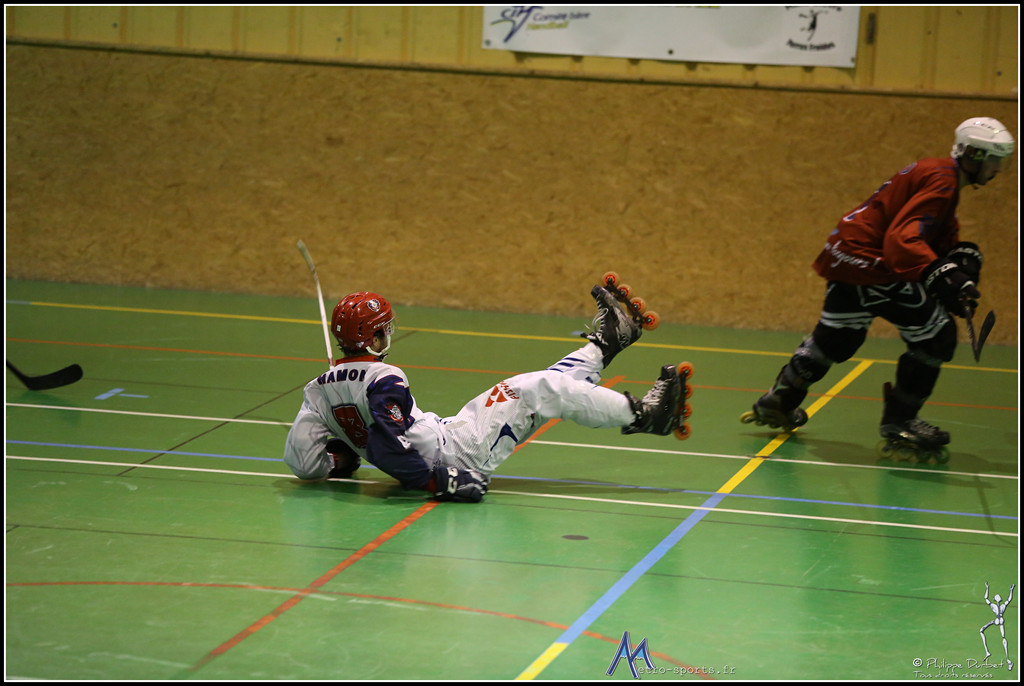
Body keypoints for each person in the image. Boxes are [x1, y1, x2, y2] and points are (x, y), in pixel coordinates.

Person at [742, 117, 1015, 451]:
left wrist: (959, 261)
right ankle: (900, 422)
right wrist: (944, 275)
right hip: (871, 262)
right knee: (936, 336)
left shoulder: (939, 173)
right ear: (973, 155)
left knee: (838, 337)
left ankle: (780, 399)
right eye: (995, 160)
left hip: (845, 253)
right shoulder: (943, 182)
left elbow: (930, 229)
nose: (998, 169)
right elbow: (903, 238)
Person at [283, 282, 692, 502]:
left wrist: (340, 459)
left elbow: (300, 461)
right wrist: (439, 482)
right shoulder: (384, 377)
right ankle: (647, 415)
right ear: (373, 338)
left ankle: (608, 343)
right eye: (383, 330)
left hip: (452, 432)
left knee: (533, 390)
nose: (387, 334)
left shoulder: (316, 391)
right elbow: (387, 445)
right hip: (456, 453)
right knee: (537, 388)